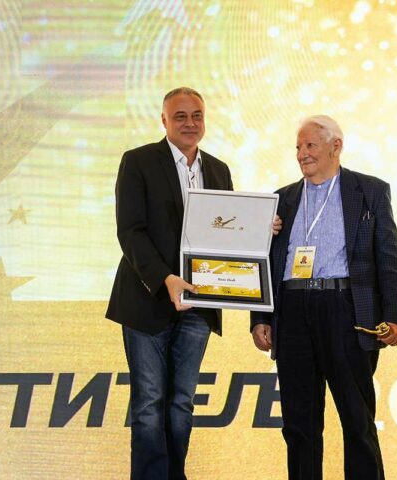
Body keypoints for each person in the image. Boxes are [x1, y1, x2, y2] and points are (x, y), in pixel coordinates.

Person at [249, 115, 397, 479]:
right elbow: (265, 261)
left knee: (357, 420)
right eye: (298, 147)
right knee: (299, 425)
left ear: (336, 146)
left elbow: (389, 258)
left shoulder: (370, 191)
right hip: (292, 312)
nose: (301, 154)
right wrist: (261, 317)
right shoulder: (280, 200)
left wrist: (395, 317)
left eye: (310, 145)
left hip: (346, 310)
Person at [105, 87, 232, 480]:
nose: (190, 123)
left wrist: (262, 229)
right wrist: (165, 278)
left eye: (197, 115)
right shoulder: (138, 161)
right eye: (180, 116)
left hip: (199, 304)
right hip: (147, 301)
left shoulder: (219, 170)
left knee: (181, 404)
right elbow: (130, 231)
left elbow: (227, 234)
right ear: (164, 121)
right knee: (149, 404)